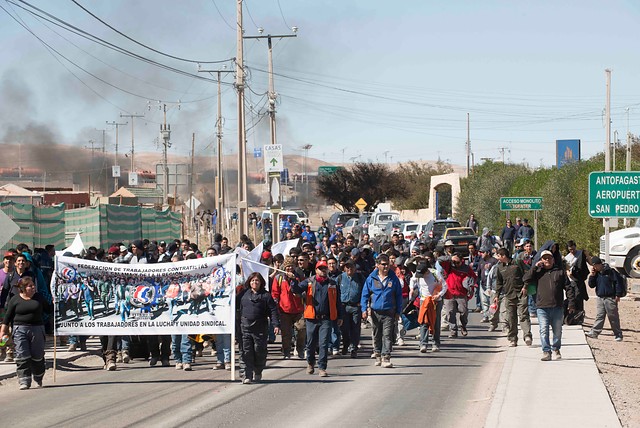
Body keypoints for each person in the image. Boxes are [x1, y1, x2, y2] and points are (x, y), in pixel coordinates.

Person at [291, 260, 344, 377]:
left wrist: (340, 316)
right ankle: (310, 363)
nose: (323, 270)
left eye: (325, 268)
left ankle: (322, 367)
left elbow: (338, 301)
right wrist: (293, 280)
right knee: (310, 343)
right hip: (311, 318)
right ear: (316, 270)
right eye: (320, 268)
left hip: (326, 318)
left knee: (324, 343)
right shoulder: (309, 282)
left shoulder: (332, 283)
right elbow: (296, 290)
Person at [0, 277, 52, 389]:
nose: (33, 287)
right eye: (30, 286)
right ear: (23, 288)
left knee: (37, 356)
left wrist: (54, 303)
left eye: (33, 285)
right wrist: (3, 331)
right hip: (20, 330)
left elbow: (49, 310)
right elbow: (7, 317)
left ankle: (38, 378)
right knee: (22, 355)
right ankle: (24, 381)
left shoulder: (39, 297)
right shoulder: (15, 300)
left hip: (37, 329)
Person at [523, 250, 575, 361]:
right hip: (542, 307)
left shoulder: (560, 272)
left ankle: (556, 348)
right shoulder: (538, 272)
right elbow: (526, 278)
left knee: (557, 331)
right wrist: (534, 267)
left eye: (549, 258)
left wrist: (571, 303)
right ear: (541, 260)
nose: (547, 260)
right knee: (543, 330)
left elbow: (569, 288)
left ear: (553, 259)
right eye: (544, 258)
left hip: (557, 307)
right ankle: (546, 351)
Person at [361, 254, 403, 368]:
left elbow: (399, 296)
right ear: (378, 265)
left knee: (387, 335)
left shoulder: (393, 278)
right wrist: (364, 309)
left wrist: (398, 311)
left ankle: (386, 357)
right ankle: (378, 354)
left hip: (389, 311)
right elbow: (365, 294)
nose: (386, 267)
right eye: (383, 264)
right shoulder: (371, 278)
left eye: (387, 264)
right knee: (377, 334)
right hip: (375, 312)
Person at [238, 272, 280, 384]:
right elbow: (233, 304)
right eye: (252, 281)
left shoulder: (266, 296)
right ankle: (247, 375)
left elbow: (273, 311)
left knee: (259, 351)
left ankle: (258, 371)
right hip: (245, 327)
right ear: (249, 282)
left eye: (257, 280)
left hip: (260, 328)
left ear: (261, 282)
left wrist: (275, 325)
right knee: (246, 351)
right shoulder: (243, 294)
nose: (254, 283)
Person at [494, 248, 532, 347]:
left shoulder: (517, 262)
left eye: (498, 255)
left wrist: (525, 286)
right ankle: (513, 338)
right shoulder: (499, 268)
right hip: (509, 295)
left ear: (503, 256)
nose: (497, 258)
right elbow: (499, 283)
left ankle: (527, 335)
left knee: (523, 315)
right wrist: (496, 296)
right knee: (511, 318)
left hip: (521, 294)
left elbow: (527, 274)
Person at [409, 260, 446, 353]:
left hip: (435, 301)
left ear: (426, 271)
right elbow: (412, 280)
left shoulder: (435, 273)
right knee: (423, 322)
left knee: (435, 322)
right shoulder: (417, 274)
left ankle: (435, 343)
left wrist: (439, 295)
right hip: (424, 301)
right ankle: (423, 344)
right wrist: (411, 289)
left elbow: (445, 286)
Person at [271, 256, 305, 359]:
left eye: (291, 266)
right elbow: (275, 293)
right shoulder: (279, 278)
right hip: (284, 310)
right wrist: (275, 305)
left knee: (301, 329)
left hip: (298, 309)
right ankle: (286, 351)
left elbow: (304, 289)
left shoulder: (299, 276)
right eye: (287, 267)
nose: (289, 269)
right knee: (286, 334)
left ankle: (300, 349)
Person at [586, 257, 624, 341]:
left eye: (595, 266)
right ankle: (595, 332)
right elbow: (591, 285)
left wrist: (618, 295)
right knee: (600, 315)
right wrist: (592, 276)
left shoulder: (611, 272)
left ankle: (618, 334)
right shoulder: (596, 274)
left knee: (613, 316)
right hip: (600, 298)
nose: (594, 268)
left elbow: (618, 283)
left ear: (600, 264)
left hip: (610, 298)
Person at [439, 253, 477, 338]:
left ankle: (463, 326)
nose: (455, 264)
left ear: (461, 261)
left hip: (461, 294)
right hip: (449, 293)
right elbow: (440, 259)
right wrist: (450, 258)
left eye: (457, 262)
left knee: (463, 312)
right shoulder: (448, 266)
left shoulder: (466, 268)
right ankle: (453, 330)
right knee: (450, 312)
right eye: (454, 262)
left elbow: (473, 278)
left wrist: (470, 286)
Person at [338, 260, 365, 358]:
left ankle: (354, 347)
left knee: (355, 328)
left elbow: (365, 291)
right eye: (347, 267)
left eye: (351, 267)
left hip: (355, 306)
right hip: (343, 306)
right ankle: (346, 344)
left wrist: (363, 305)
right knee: (344, 328)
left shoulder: (360, 278)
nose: (349, 269)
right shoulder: (340, 278)